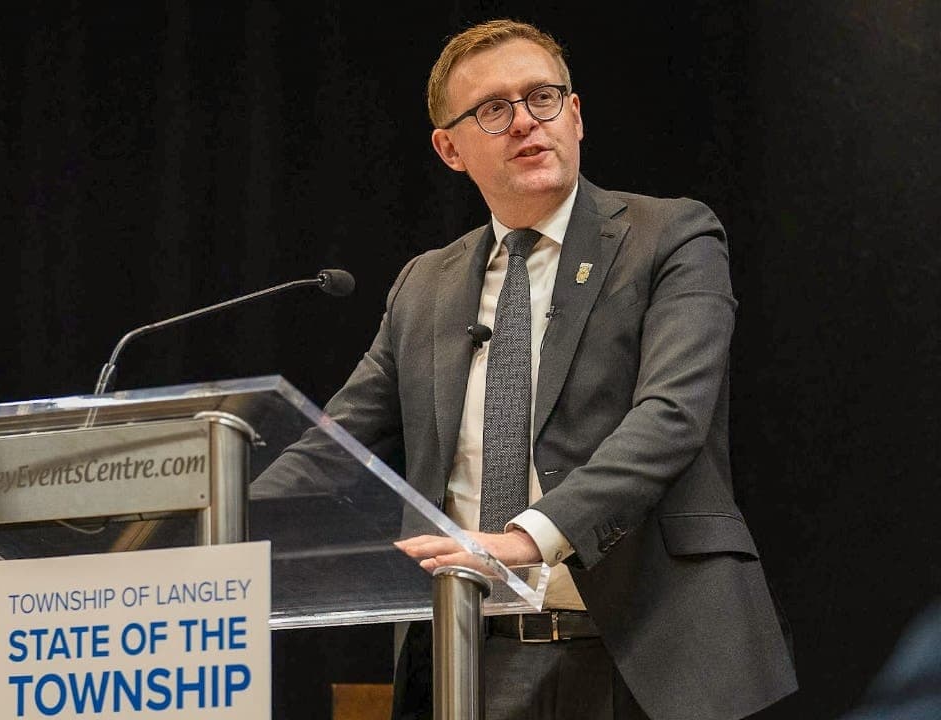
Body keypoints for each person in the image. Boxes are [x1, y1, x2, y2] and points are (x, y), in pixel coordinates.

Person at [264, 18, 796, 720]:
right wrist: (211, 532)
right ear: (449, 149)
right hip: (467, 659)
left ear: (574, 114)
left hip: (645, 656)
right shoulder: (424, 285)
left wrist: (525, 540)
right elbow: (336, 447)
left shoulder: (670, 237)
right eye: (493, 109)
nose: (524, 121)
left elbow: (671, 418)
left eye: (542, 97)